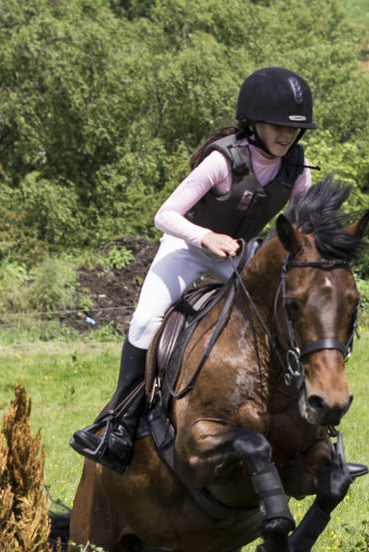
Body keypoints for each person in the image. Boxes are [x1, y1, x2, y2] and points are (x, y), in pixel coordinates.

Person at [71, 67, 317, 474]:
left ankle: (309, 422)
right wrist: (205, 238)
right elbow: (164, 215)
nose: (287, 136)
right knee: (147, 321)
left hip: (242, 255)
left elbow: (301, 225)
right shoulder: (222, 161)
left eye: (295, 129)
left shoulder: (297, 168)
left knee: (289, 318)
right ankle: (118, 421)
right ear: (253, 123)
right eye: (278, 126)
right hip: (188, 247)